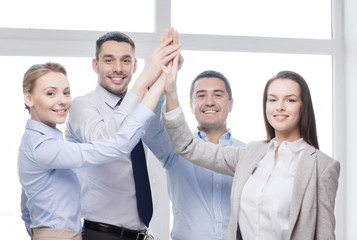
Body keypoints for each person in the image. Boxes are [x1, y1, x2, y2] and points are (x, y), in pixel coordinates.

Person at [162, 69, 340, 240]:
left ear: (303, 106)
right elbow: (188, 146)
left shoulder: (321, 166)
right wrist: (170, 90)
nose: (280, 107)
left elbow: (324, 235)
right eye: (272, 100)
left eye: (290, 100)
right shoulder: (250, 154)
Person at [18, 60, 170, 240]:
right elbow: (117, 145)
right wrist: (156, 83)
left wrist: (42, 233)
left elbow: (26, 207)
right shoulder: (43, 147)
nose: (63, 100)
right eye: (51, 93)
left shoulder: (37, 141)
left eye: (66, 92)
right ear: (29, 98)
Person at [65, 28, 181, 240]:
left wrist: (166, 72)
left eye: (126, 61)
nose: (118, 68)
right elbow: (107, 142)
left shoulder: (140, 105)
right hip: (100, 233)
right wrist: (143, 81)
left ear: (134, 65)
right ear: (95, 65)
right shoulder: (82, 106)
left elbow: (158, 136)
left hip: (141, 234)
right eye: (109, 60)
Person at [146, 70, 245, 239]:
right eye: (201, 95)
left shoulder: (245, 154)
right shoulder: (174, 148)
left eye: (218, 95)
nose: (209, 102)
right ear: (191, 105)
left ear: (231, 104)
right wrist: (164, 79)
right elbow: (150, 123)